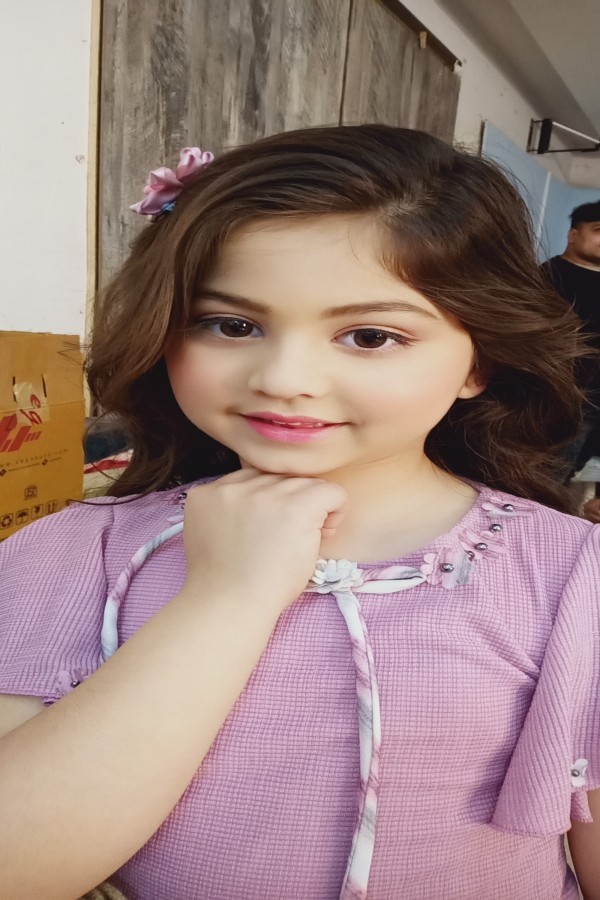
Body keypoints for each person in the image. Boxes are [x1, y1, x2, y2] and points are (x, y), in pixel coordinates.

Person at [0, 125, 598, 900]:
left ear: (478, 360)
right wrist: (229, 597)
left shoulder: (570, 575)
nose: (284, 378)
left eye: (370, 336)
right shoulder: (70, 552)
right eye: (233, 325)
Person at [542, 201, 600, 480]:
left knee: (558, 480)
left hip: (588, 409)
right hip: (543, 402)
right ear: (573, 234)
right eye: (598, 229)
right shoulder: (544, 279)